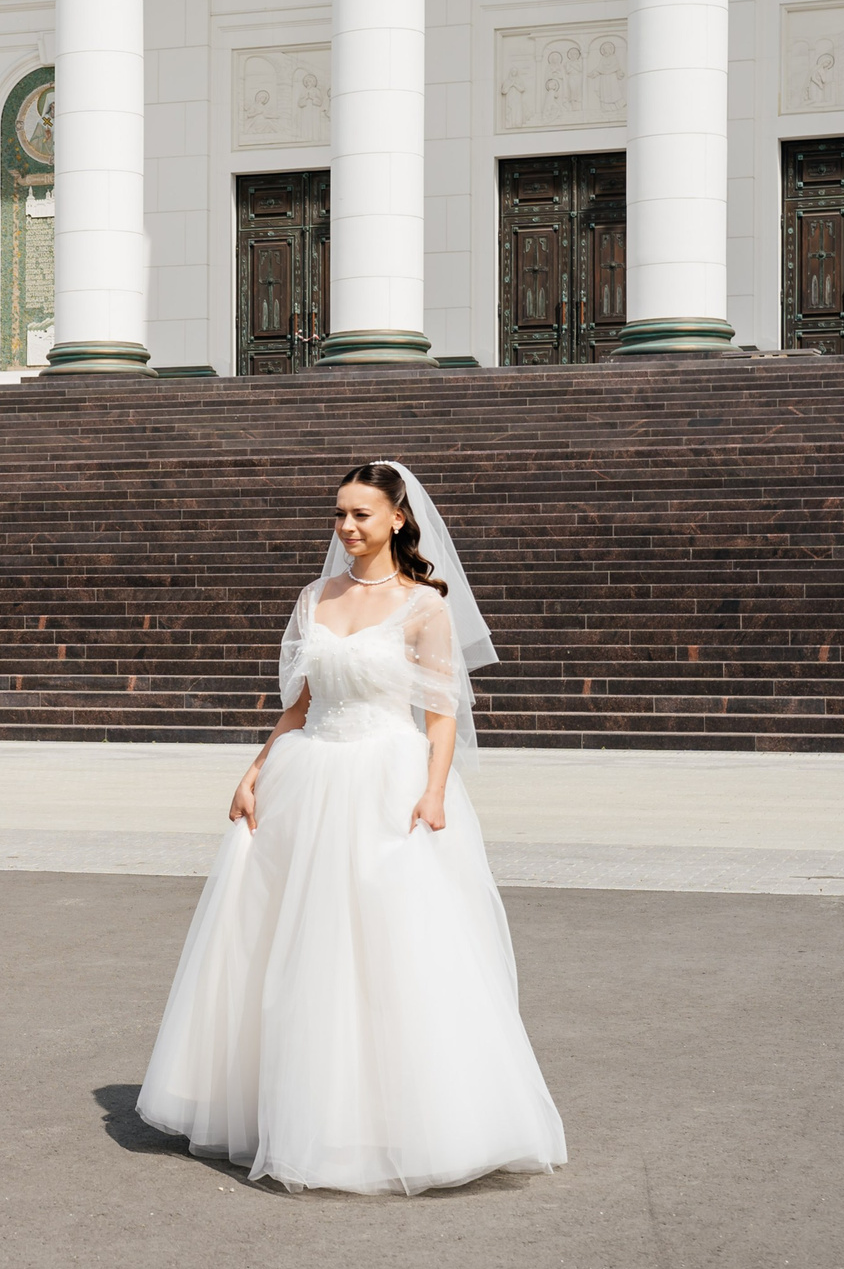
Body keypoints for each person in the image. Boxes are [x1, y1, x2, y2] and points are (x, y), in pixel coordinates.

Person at [136, 461, 565, 1196]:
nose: (346, 527)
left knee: (389, 945)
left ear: (398, 518)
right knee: (291, 943)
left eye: (362, 514)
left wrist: (433, 794)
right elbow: (299, 706)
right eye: (339, 513)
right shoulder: (316, 596)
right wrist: (255, 768)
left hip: (385, 780)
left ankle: (402, 1116)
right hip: (309, 773)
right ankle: (299, 1106)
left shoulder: (425, 605)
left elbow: (440, 718)